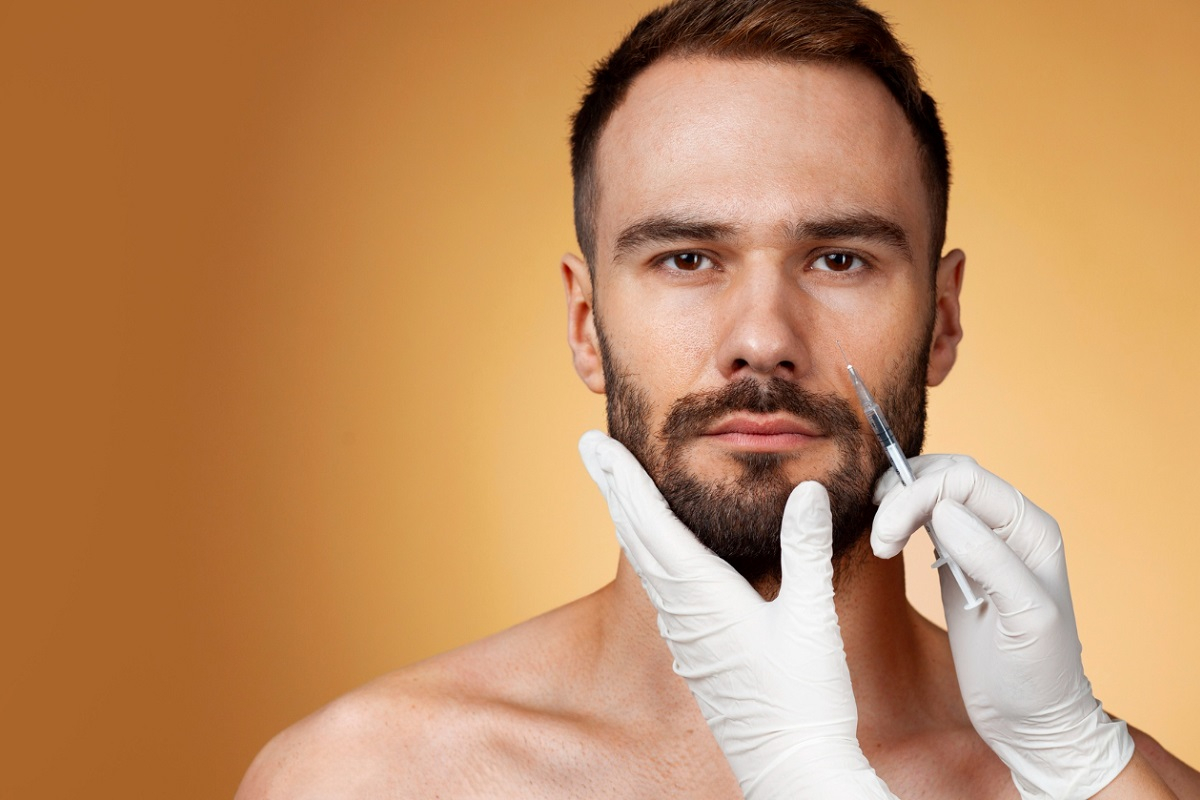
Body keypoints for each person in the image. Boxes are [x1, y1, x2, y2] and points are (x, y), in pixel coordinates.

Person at [236, 1, 1200, 797]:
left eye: (839, 258)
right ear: (585, 324)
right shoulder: (370, 780)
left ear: (942, 319)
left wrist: (1076, 766)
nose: (763, 341)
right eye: (687, 258)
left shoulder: (1096, 784)